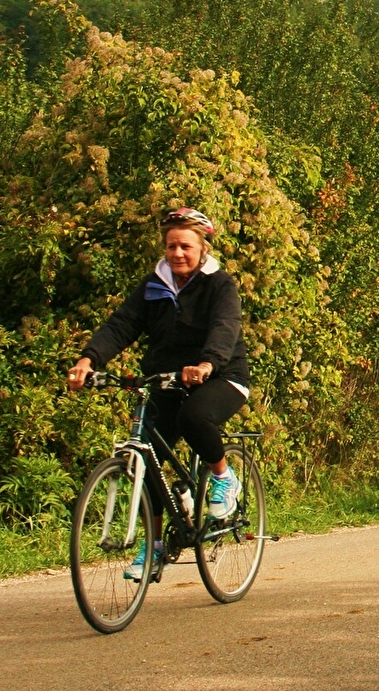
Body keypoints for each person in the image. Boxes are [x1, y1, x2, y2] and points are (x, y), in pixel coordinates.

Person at [67, 207, 251, 581]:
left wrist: (206, 364)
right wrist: (89, 359)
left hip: (221, 376)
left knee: (194, 417)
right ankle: (152, 548)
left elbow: (224, 327)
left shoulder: (220, 285)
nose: (177, 253)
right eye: (171, 246)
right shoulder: (153, 285)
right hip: (164, 378)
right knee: (146, 453)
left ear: (202, 249)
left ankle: (223, 477)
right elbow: (122, 325)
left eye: (185, 246)